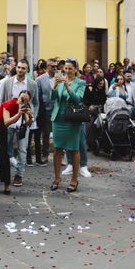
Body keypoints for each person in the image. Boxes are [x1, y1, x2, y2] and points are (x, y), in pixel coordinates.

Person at [0, 59, 39, 187]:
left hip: (23, 122)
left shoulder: (32, 84)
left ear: (27, 70)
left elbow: (36, 103)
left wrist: (32, 118)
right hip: (9, 120)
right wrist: (1, 119)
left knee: (22, 150)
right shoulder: (7, 82)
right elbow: (2, 102)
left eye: (23, 68)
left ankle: (19, 175)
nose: (20, 70)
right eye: (19, 67)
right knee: (0, 148)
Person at [50, 58, 86, 193]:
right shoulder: (59, 80)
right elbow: (53, 98)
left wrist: (67, 87)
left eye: (70, 68)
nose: (67, 71)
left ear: (76, 69)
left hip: (72, 119)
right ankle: (57, 178)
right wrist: (54, 86)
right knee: (57, 149)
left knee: (73, 149)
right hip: (58, 118)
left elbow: (78, 100)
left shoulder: (81, 82)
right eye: (66, 68)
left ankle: (74, 179)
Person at [35, 59, 57, 166]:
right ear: (47, 67)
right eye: (52, 66)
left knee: (59, 134)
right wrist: (40, 110)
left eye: (55, 66)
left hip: (58, 110)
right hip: (46, 110)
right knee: (46, 134)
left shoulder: (60, 78)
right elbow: (38, 96)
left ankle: (60, 155)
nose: (55, 68)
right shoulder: (39, 79)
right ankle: (45, 154)